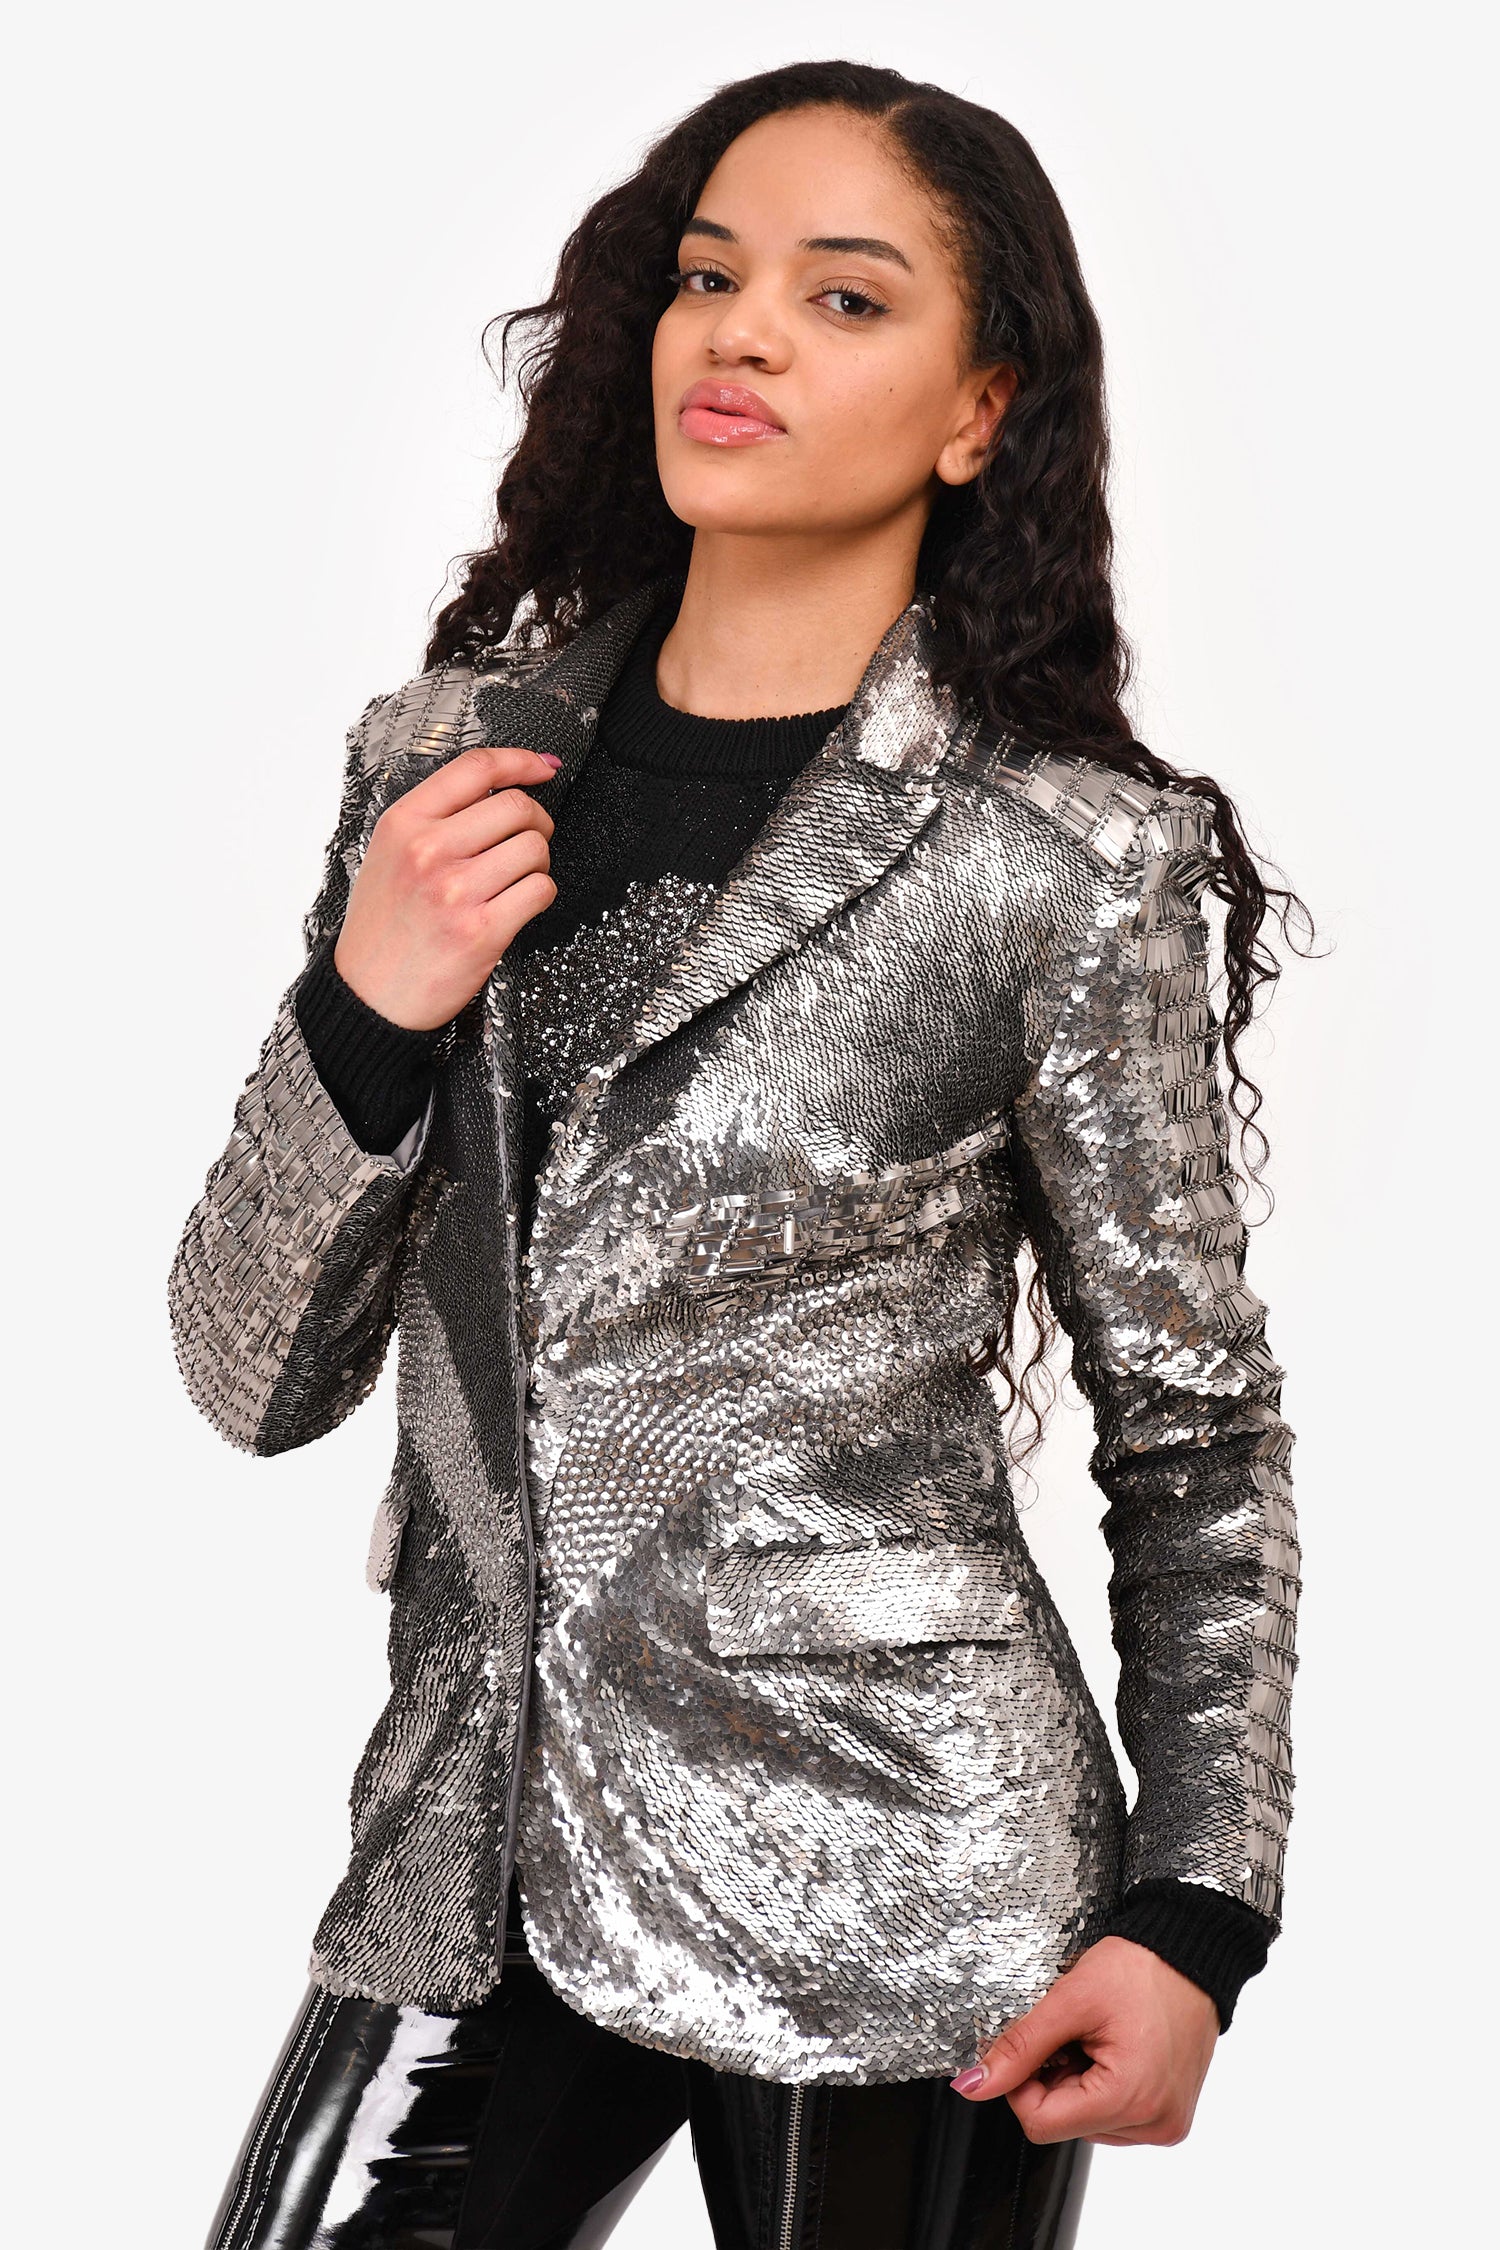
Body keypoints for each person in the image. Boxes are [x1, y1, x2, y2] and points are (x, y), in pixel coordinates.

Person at [169, 57, 1304, 2250]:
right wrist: (371, 1002)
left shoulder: (1059, 859)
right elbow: (248, 1375)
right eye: (710, 276)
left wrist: (1196, 1913)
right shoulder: (441, 771)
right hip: (466, 1851)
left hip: (911, 1878)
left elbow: (1197, 1435)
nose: (748, 331)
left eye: (846, 298)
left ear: (980, 411)